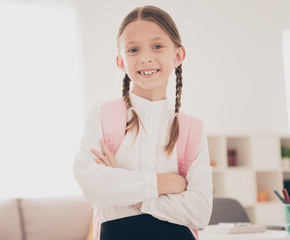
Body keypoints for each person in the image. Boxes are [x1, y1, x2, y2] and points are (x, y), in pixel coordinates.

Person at [73, 5, 212, 240]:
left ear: (178, 56)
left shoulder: (192, 130)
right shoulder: (103, 116)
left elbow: (199, 211)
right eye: (134, 49)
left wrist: (129, 193)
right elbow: (91, 186)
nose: (146, 57)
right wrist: (164, 183)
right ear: (121, 62)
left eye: (157, 46)